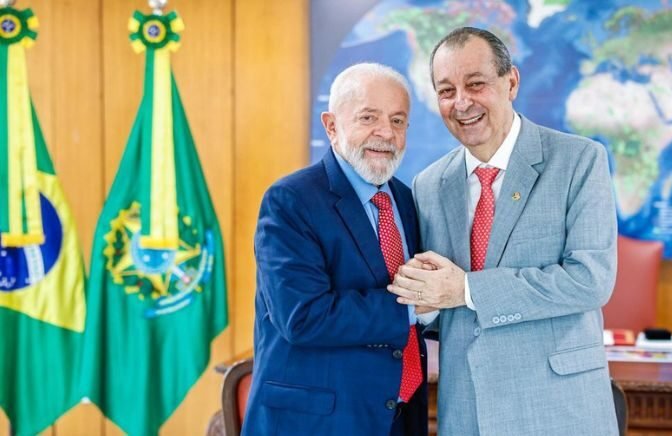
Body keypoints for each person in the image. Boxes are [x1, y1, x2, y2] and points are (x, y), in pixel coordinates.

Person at [388, 27, 619, 435]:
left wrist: (467, 290)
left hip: (559, 410)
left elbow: (590, 281)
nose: (461, 103)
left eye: (475, 84)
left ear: (511, 82)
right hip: (467, 411)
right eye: (446, 91)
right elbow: (442, 304)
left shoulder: (579, 161)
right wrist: (427, 304)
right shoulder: (428, 185)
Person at [242, 63, 427, 436]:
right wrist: (413, 307)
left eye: (397, 120)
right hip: (315, 423)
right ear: (330, 126)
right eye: (368, 117)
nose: (385, 132)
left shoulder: (406, 200)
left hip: (397, 415)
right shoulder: (291, 200)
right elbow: (303, 316)